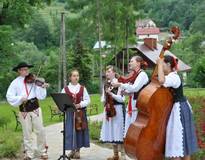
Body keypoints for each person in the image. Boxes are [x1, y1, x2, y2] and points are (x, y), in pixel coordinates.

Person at [157, 55, 198, 160]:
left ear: (168, 64)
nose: (161, 67)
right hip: (179, 108)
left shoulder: (173, 77)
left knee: (177, 140)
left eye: (163, 64)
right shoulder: (172, 76)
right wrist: (161, 64)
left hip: (179, 109)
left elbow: (161, 80)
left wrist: (159, 64)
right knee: (182, 140)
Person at [6, 62, 48, 160]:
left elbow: (40, 96)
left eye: (27, 69)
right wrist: (20, 98)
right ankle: (29, 154)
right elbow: (9, 96)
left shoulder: (34, 80)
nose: (26, 71)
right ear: (19, 71)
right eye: (24, 69)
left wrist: (42, 88)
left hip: (35, 107)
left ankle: (42, 151)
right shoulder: (15, 83)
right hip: (24, 109)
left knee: (40, 130)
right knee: (27, 132)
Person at [112, 56, 149, 136]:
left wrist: (120, 84)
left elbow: (135, 88)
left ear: (138, 63)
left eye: (132, 61)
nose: (129, 63)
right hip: (132, 103)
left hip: (138, 104)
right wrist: (126, 92)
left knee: (135, 129)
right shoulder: (135, 75)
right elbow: (132, 89)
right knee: (130, 128)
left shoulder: (142, 74)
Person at [61, 69, 90, 159]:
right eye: (74, 75)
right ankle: (72, 150)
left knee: (79, 131)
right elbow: (61, 100)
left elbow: (88, 100)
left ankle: (78, 151)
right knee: (70, 131)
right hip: (70, 114)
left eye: (77, 75)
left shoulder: (82, 88)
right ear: (70, 77)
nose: (76, 77)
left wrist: (80, 104)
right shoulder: (65, 89)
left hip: (80, 114)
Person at [100, 65, 126, 160]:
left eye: (109, 71)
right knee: (112, 131)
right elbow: (103, 97)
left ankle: (123, 155)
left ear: (114, 72)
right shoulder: (106, 84)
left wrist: (111, 94)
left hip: (118, 109)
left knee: (118, 131)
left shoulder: (120, 83)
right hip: (109, 109)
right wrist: (104, 99)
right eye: (106, 72)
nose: (107, 73)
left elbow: (122, 99)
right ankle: (115, 155)